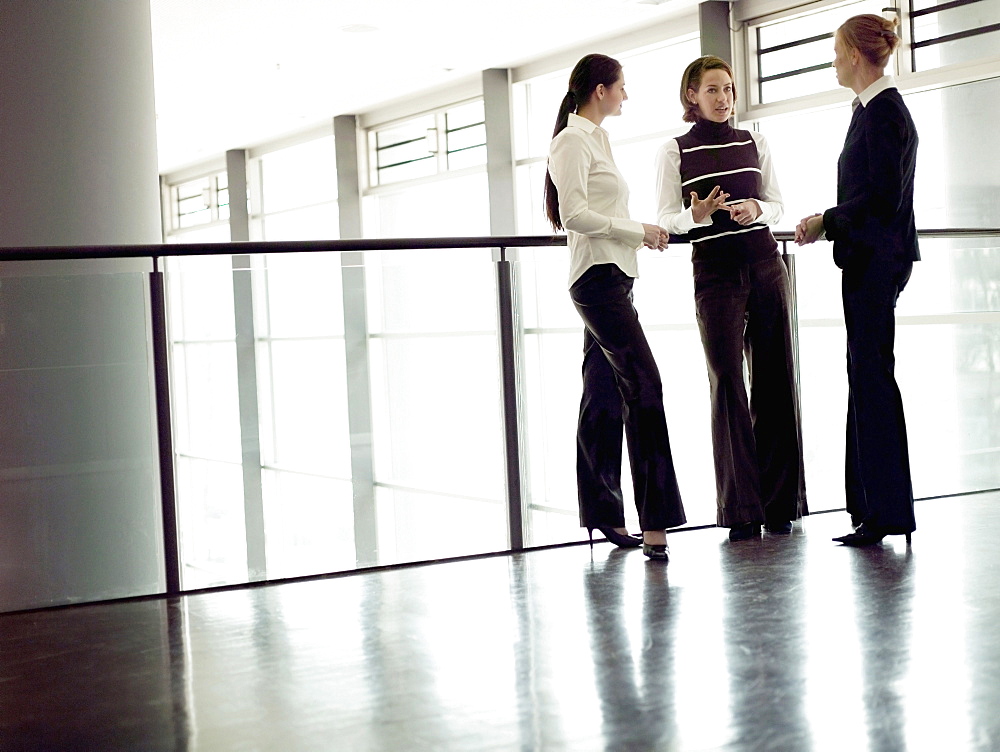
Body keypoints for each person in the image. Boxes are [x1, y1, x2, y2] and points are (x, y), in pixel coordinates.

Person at [654, 55, 806, 542]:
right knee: (725, 382)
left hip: (765, 264)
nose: (724, 98)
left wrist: (758, 207)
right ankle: (740, 508)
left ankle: (781, 503)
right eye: (714, 90)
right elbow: (665, 218)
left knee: (775, 378)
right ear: (692, 96)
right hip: (714, 273)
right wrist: (694, 215)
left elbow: (780, 202)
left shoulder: (755, 141)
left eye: (729, 89)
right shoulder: (674, 151)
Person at [545, 53, 687, 561]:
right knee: (645, 385)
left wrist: (645, 234)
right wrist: (637, 230)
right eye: (621, 87)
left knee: (602, 397)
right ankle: (656, 524)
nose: (625, 95)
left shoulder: (597, 139)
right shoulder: (570, 141)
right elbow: (575, 214)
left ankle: (602, 514)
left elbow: (600, 210)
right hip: (596, 282)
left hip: (617, 279)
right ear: (600, 90)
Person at [795, 14, 918, 546]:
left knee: (871, 379)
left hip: (875, 262)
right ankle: (873, 507)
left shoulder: (883, 113)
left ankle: (885, 512)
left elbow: (881, 200)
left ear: (856, 55)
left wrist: (827, 220)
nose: (833, 59)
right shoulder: (872, 111)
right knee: (865, 377)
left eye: (837, 50)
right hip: (874, 260)